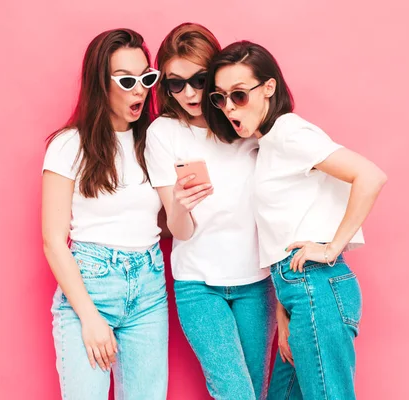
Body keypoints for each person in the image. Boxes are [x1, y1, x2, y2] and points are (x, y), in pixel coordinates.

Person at [204, 40, 388, 399]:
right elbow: (280, 233)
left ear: (268, 88)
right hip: (297, 293)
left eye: (238, 96)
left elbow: (370, 175)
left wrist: (332, 247)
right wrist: (283, 310)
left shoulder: (289, 132)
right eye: (220, 98)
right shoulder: (269, 145)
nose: (228, 107)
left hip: (316, 287)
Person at [145, 23, 276, 400]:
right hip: (199, 286)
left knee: (256, 391)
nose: (188, 93)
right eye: (175, 83)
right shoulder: (164, 133)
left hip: (257, 281)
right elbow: (180, 232)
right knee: (235, 393)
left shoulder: (246, 124)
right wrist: (182, 207)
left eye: (200, 80)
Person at [42, 28, 168, 400]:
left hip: (149, 289)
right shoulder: (69, 144)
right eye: (127, 80)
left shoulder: (155, 141)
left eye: (146, 78)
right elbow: (53, 240)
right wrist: (89, 317)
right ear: (100, 84)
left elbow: (159, 223)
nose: (140, 90)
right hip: (90, 287)